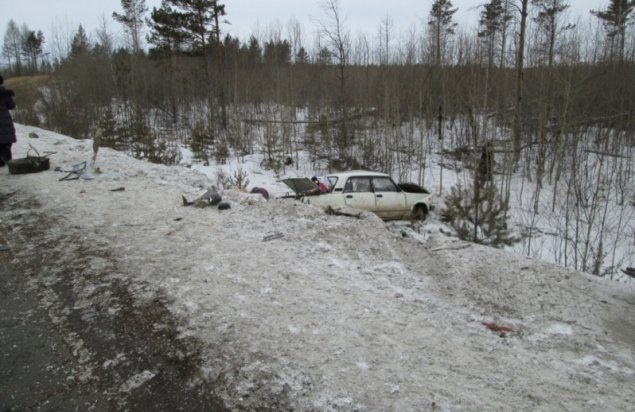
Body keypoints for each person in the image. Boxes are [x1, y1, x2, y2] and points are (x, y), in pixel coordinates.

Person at [0, 75, 16, 167]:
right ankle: (7, 159)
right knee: (6, 141)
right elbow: (12, 106)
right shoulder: (5, 93)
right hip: (4, 121)